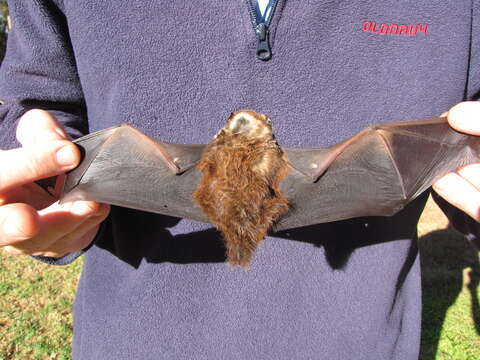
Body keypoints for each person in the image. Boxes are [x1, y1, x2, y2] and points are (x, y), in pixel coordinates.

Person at [0, 1, 479, 359]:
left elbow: (464, 137)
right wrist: (38, 171)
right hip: (135, 335)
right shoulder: (177, 164)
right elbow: (26, 104)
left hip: (358, 337)